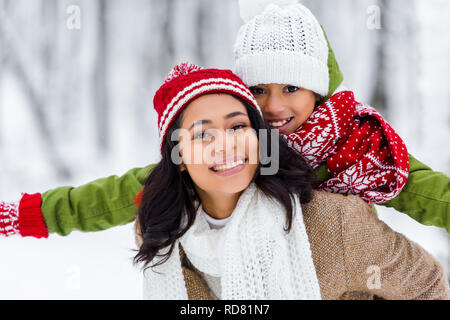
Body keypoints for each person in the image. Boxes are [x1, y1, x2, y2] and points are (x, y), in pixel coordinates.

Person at [0, 0, 448, 239]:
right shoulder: (232, 146)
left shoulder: (357, 146)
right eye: (258, 90)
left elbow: (429, 193)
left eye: (291, 88)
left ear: (317, 91)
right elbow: (121, 194)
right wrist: (28, 215)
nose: (273, 106)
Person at [134, 62, 449, 299]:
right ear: (178, 158)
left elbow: (430, 286)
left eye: (237, 127)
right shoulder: (163, 236)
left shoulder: (334, 223)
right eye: (203, 134)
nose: (226, 145)